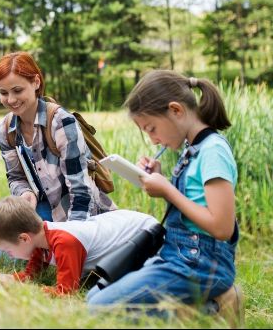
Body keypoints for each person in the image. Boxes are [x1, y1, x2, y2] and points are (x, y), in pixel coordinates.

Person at [85, 70, 242, 324]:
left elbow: (222, 227)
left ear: (176, 111)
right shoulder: (192, 149)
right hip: (177, 255)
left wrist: (168, 190)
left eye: (152, 128)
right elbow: (195, 202)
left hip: (201, 265)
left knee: (102, 310)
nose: (153, 139)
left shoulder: (213, 152)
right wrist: (162, 181)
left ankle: (215, 308)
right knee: (94, 297)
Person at [0, 52, 115, 222]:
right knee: (6, 248)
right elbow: (16, 177)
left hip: (82, 212)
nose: (11, 99)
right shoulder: (4, 130)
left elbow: (80, 188)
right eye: (3, 93)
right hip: (43, 208)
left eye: (17, 90)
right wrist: (25, 193)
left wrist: (74, 234)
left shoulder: (61, 122)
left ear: (36, 82)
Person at [0, 196, 160, 296]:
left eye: (8, 250)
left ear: (24, 238)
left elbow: (66, 292)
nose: (9, 255)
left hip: (146, 237)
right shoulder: (40, 240)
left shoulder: (65, 242)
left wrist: (29, 293)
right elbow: (29, 277)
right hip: (127, 228)